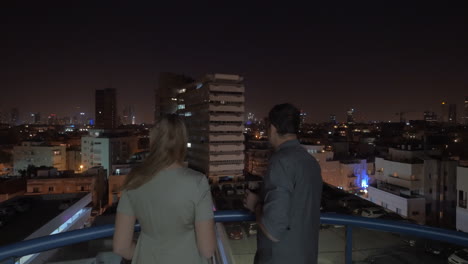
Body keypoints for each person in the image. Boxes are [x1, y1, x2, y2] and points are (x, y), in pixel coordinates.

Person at [113, 114, 216, 264]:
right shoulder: (197, 182)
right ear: (182, 142)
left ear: (153, 141)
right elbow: (207, 249)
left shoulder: (134, 180)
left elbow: (121, 247)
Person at [244, 103, 323, 264]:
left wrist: (256, 206)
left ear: (272, 128)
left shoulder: (281, 162)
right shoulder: (311, 162)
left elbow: (274, 229)